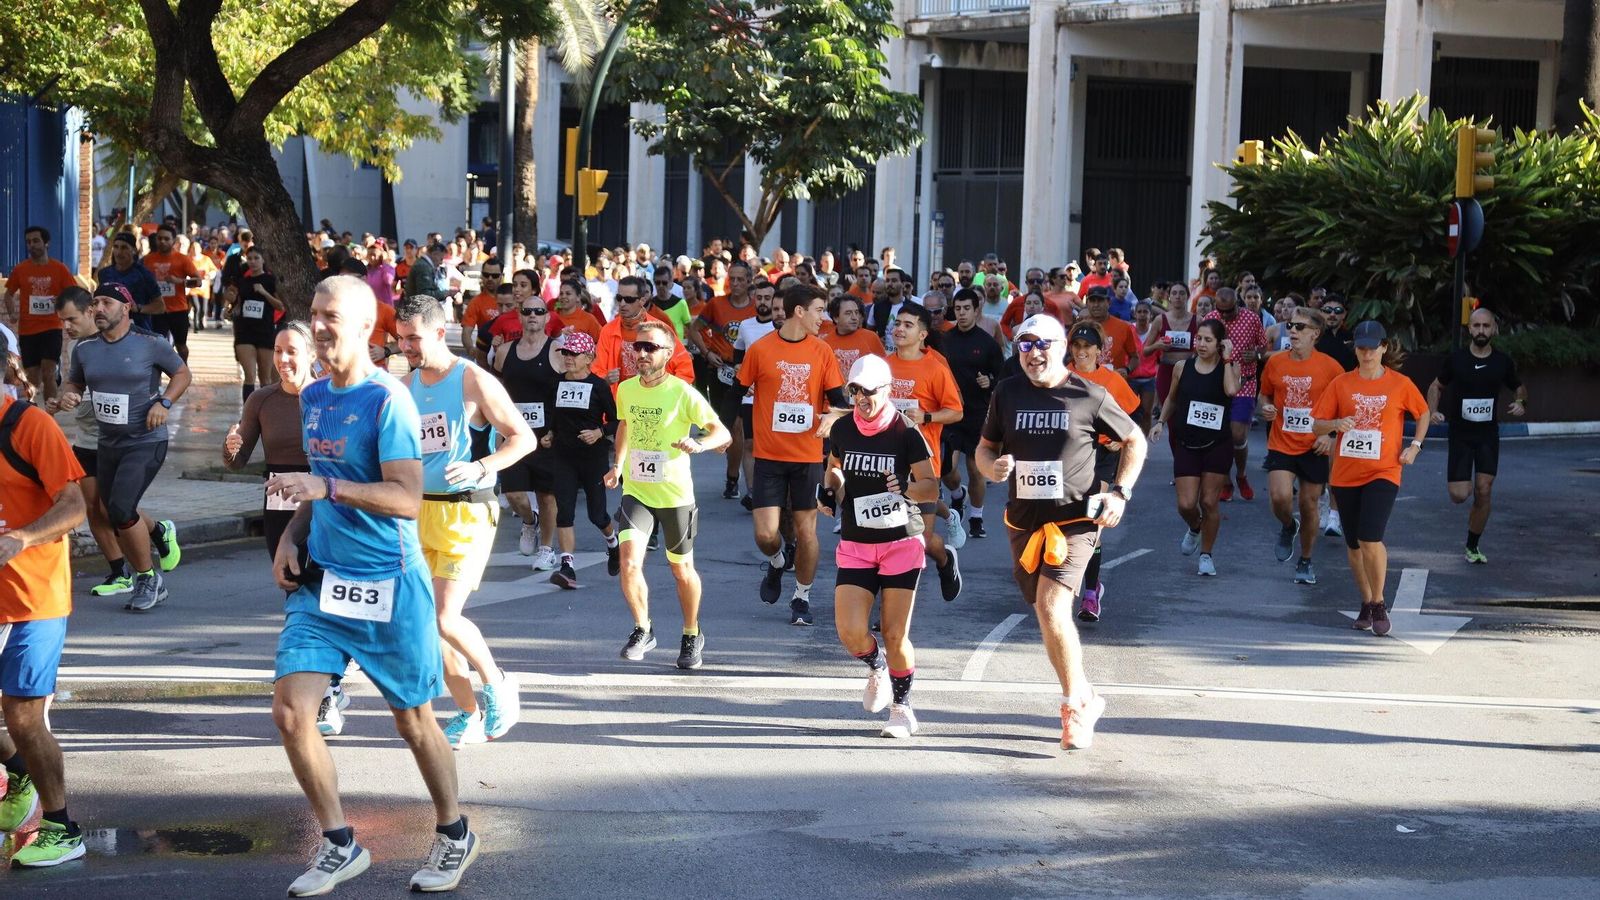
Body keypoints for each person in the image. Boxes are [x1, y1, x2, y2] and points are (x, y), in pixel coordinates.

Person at [266, 276, 480, 895]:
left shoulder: (389, 401)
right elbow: (318, 480)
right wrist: (291, 536)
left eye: (331, 316)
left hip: (389, 582)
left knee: (413, 722)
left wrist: (328, 488)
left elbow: (407, 499)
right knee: (291, 712)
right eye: (314, 313)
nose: (318, 325)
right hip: (323, 583)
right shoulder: (313, 396)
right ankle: (339, 844)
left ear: (365, 327)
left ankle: (455, 832)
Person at [977, 314, 1146, 751]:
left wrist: (1120, 493)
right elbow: (985, 448)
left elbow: (1135, 440)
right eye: (1025, 344)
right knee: (1043, 611)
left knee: (1053, 607)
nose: (1033, 353)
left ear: (1061, 347)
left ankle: (1073, 706)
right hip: (1023, 521)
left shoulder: (1090, 394)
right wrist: (991, 468)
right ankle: (1085, 694)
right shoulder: (1007, 392)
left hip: (1075, 521)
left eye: (1042, 344)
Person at [397, 294, 535, 747]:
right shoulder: (406, 383)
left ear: (440, 333)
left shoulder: (472, 379)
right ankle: (468, 713)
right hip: (420, 511)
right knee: (429, 626)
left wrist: (482, 467)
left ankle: (498, 683)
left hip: (467, 510)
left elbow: (523, 438)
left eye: (413, 338)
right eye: (401, 338)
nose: (405, 347)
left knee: (445, 617)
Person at [822, 354, 937, 738]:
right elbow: (835, 468)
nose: (861, 398)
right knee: (850, 631)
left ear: (887, 390)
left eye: (869, 391)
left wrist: (906, 487)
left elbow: (931, 487)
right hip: (857, 540)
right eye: (854, 390)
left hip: (900, 541)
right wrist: (829, 490)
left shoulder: (906, 432)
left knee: (894, 632)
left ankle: (902, 709)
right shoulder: (842, 429)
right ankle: (877, 668)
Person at [606, 319, 732, 666]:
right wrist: (617, 465)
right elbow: (626, 425)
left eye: (650, 347)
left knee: (681, 570)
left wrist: (698, 444)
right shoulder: (627, 389)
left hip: (675, 495)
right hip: (637, 491)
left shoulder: (682, 392)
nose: (641, 353)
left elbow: (722, 433)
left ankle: (692, 633)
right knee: (628, 562)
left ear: (668, 353)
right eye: (637, 346)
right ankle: (642, 628)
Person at [58, 284, 190, 612]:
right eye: (96, 302)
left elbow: (182, 373)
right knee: (112, 512)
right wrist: (70, 394)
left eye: (107, 302)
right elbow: (75, 381)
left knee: (120, 509)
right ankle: (154, 545)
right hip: (107, 444)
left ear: (126, 307)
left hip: (145, 441)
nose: (99, 308)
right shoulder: (85, 348)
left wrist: (164, 402)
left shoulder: (151, 343)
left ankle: (147, 578)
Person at [0, 384, 89, 866]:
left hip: (34, 595)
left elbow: (74, 506)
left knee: (22, 716)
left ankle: (62, 828)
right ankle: (20, 769)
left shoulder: (29, 425)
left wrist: (22, 538)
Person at [739, 283, 848, 625]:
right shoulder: (761, 349)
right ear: (799, 312)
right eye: (819, 310)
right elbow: (735, 391)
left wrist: (833, 416)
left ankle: (802, 596)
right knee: (765, 535)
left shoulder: (822, 351)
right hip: (769, 456)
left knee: (807, 532)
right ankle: (776, 561)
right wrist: (724, 431)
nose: (823, 318)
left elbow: (842, 403)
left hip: (807, 456)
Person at [1312, 321, 1430, 636]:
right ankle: (1366, 601)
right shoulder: (1341, 383)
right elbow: (1317, 424)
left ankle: (1378, 602)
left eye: (1372, 348)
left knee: (1370, 537)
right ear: (1355, 349)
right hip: (1346, 475)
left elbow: (1423, 412)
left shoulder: (1400, 384)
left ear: (1384, 348)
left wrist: (1415, 446)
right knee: (1354, 545)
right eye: (1361, 348)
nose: (1366, 354)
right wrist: (1336, 423)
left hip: (1384, 471)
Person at [1426, 307, 1526, 564]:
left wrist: (1520, 402)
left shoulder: (1502, 362)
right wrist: (1432, 411)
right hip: (1461, 434)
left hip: (1487, 436)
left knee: (1484, 490)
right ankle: (1466, 496)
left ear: (1494, 329)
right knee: (1460, 495)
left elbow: (1519, 387)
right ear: (1469, 329)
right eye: (1477, 326)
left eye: (1486, 326)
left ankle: (1473, 545)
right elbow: (1436, 386)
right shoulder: (1456, 359)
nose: (1481, 330)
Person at [1257, 308, 1344, 584]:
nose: (1292, 331)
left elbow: (1344, 407)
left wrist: (1329, 435)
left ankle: (1305, 560)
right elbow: (1264, 394)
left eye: (1300, 327)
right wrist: (1266, 407)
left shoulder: (1331, 367)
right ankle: (1288, 525)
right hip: (1282, 441)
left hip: (1314, 446)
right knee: (1280, 497)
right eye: (1291, 326)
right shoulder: (1275, 362)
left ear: (1315, 334)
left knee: (1309, 505)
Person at [885, 302, 966, 600]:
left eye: (908, 325)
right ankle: (890, 604)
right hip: (886, 463)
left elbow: (956, 411)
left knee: (921, 539)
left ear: (922, 334)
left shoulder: (934, 367)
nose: (900, 329)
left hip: (923, 465)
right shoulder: (882, 365)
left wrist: (926, 416)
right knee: (887, 537)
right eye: (897, 323)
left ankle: (945, 559)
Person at [1062, 322, 1141, 618]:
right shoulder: (1060, 377)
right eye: (1076, 346)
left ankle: (1091, 593)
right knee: (1063, 520)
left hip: (1102, 456)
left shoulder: (1112, 381)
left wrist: (1121, 440)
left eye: (1087, 346)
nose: (1081, 351)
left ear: (1099, 350)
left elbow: (1133, 418)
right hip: (1067, 456)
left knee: (1091, 521)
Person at [1149, 320, 1238, 576]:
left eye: (1208, 340)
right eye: (1199, 338)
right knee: (1186, 504)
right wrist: (1160, 422)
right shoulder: (1182, 367)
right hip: (1187, 442)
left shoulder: (1229, 367)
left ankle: (1206, 555)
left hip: (1217, 444)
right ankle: (1195, 527)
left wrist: (1228, 359)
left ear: (1220, 343)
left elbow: (1231, 390)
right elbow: (1172, 398)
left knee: (1209, 501)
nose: (1201, 344)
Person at [542, 330, 620, 589]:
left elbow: (617, 421)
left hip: (592, 458)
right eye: (565, 353)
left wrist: (599, 432)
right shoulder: (555, 384)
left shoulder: (598, 386)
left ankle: (613, 544)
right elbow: (553, 417)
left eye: (574, 354)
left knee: (597, 515)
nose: (568, 358)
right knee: (564, 512)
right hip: (563, 456)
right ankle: (568, 568)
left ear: (588, 358)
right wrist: (549, 434)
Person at [493, 289, 562, 570]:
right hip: (514, 434)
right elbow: (496, 394)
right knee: (513, 494)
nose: (533, 315)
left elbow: (567, 391)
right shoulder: (504, 352)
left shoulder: (557, 351)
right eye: (527, 311)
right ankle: (529, 521)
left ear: (547, 318)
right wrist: (498, 430)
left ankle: (546, 549)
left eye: (538, 311)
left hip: (547, 435)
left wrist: (558, 430)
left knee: (547, 494)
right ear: (519, 317)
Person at [688, 260, 760, 502]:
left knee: (739, 427)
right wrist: (707, 352)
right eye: (732, 279)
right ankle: (733, 474)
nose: (735, 283)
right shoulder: (716, 304)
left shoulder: (756, 308)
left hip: (746, 374)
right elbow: (694, 329)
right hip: (720, 371)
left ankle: (734, 478)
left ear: (749, 281)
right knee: (727, 427)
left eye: (740, 279)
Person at [940, 288, 1005, 540]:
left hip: (978, 414)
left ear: (976, 310)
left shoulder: (987, 343)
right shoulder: (945, 340)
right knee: (947, 470)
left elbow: (1001, 376)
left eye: (966, 308)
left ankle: (976, 517)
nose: (962, 313)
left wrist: (989, 381)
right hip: (950, 413)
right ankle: (958, 495)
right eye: (958, 309)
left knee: (976, 469)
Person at [1202, 287, 1268, 502]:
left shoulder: (1252, 318)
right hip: (1216, 382)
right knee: (1218, 434)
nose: (1224, 316)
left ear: (1237, 304)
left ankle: (1241, 474)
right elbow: (1200, 347)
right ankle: (1226, 481)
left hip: (1244, 382)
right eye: (1221, 311)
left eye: (1229, 311)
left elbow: (1264, 347)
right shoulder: (1210, 319)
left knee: (1238, 435)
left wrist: (1256, 355)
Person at [4, 225, 76, 404]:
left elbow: (73, 293)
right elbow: (8, 294)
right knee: (32, 377)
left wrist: (62, 305)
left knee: (48, 372)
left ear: (46, 243)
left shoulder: (59, 269)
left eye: (36, 241)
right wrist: (12, 312)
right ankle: (32, 411)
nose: (32, 245)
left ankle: (50, 414)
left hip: (51, 327)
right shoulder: (21, 269)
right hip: (28, 330)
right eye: (28, 242)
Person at [594, 276, 695, 392]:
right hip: (620, 399)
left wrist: (671, 392)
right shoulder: (608, 330)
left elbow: (684, 366)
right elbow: (598, 369)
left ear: (642, 301)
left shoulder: (660, 330)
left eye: (629, 299)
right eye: (619, 298)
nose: (622, 303)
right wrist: (605, 380)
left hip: (656, 399)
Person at [230, 247, 285, 403]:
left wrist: (264, 292)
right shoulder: (243, 281)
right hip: (244, 331)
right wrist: (232, 310)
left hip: (264, 331)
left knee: (265, 378)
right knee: (249, 376)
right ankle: (248, 411)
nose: (253, 262)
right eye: (250, 258)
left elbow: (280, 306)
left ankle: (265, 410)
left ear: (263, 260)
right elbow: (238, 305)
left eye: (256, 258)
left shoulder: (270, 280)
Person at [142, 224, 202, 360]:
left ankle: (183, 367)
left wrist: (179, 281)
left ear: (173, 241)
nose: (162, 241)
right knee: (157, 344)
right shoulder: (148, 260)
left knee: (181, 345)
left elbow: (198, 281)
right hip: (157, 310)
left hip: (178, 310)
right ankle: (158, 370)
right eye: (160, 238)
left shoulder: (182, 259)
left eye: (166, 239)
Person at [96, 232, 163, 332]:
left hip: (139, 331)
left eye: (124, 247)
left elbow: (160, 306)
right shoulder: (104, 274)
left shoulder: (144, 274)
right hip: (111, 331)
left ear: (134, 250)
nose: (119, 252)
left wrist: (138, 308)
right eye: (116, 247)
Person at [1148, 282, 1196, 408]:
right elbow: (1145, 351)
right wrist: (1157, 345)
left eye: (1182, 293)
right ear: (1169, 297)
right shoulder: (1160, 320)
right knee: (1168, 411)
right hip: (1166, 371)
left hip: (1188, 371)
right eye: (1174, 293)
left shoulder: (1198, 320)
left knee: (1185, 410)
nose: (1178, 296)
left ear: (1187, 296)